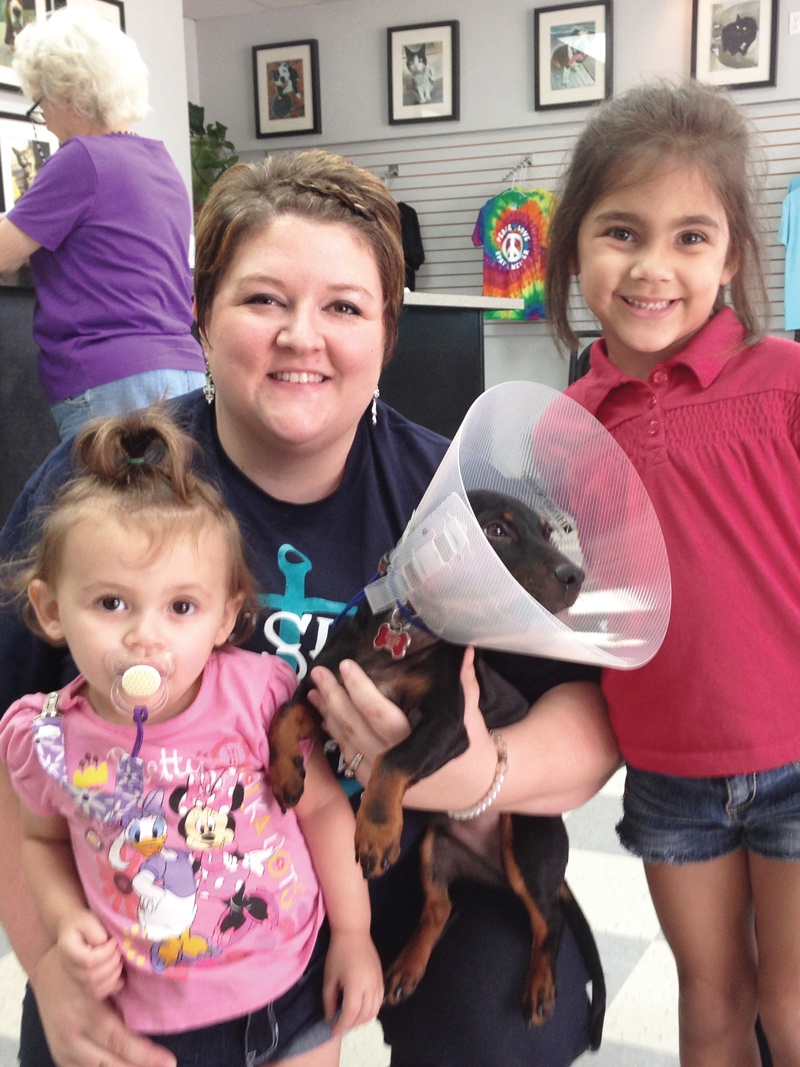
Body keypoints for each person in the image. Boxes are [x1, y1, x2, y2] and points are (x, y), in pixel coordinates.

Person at [0, 149, 620, 1067]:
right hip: (168, 887)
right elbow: (13, 760)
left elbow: (592, 726)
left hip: (397, 857)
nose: (302, 335)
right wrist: (43, 957)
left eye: (343, 305)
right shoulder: (106, 489)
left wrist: (473, 775)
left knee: (508, 1025)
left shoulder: (455, 497)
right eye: (261, 300)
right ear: (200, 316)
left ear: (388, 331)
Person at [0, 407, 383, 1066]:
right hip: (143, 1020)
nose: (146, 635)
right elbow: (39, 841)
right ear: (51, 609)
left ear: (225, 615)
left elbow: (320, 806)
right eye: (111, 602)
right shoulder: (44, 736)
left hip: (289, 997)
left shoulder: (257, 694)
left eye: (181, 607)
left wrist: (354, 931)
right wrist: (64, 926)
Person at [545, 79, 800, 1066]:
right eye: (620, 231)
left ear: (731, 253)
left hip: (791, 754)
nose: (651, 266)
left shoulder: (779, 381)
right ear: (572, 246)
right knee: (711, 994)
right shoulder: (563, 424)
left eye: (689, 237)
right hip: (666, 775)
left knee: (788, 998)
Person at [0, 6, 204, 441]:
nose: (46, 120)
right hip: (183, 371)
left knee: (109, 510)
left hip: (111, 382)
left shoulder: (81, 159)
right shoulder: (162, 162)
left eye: (41, 103)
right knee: (171, 507)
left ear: (70, 94)